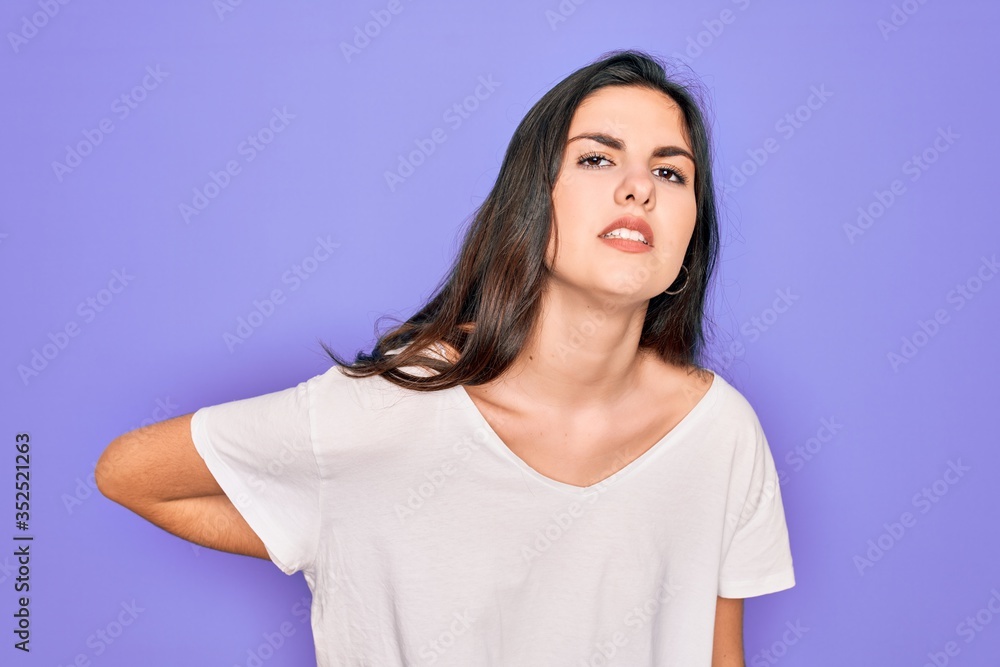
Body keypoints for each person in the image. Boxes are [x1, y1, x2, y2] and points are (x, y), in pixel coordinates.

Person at [96, 48, 795, 666]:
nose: (639, 187)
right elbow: (128, 473)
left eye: (671, 174)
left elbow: (718, 656)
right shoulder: (395, 405)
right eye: (596, 158)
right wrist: (333, 531)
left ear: (688, 239)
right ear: (531, 204)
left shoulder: (722, 434)